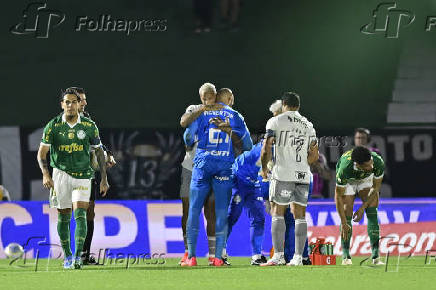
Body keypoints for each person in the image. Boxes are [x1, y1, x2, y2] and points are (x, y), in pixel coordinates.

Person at [37, 88, 109, 269]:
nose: (70, 105)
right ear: (62, 105)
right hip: (60, 175)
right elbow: (42, 154)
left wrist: (103, 178)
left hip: (83, 176)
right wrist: (46, 174)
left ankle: (78, 257)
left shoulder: (89, 126)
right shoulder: (53, 126)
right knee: (63, 216)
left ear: (79, 104)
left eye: (73, 102)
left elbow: (99, 151)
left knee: (81, 214)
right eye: (66, 102)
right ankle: (68, 256)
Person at [182, 85, 252, 266]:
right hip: (224, 165)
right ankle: (218, 258)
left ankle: (191, 257)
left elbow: (188, 136)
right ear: (230, 99)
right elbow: (248, 145)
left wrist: (190, 144)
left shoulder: (202, 112)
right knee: (220, 212)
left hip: (203, 163)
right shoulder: (235, 116)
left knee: (194, 210)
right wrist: (229, 131)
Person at [260, 92, 318, 266]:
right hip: (303, 175)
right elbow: (314, 155)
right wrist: (300, 166)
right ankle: (299, 258)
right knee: (299, 216)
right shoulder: (308, 124)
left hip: (283, 174)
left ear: (283, 104)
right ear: (298, 106)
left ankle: (278, 256)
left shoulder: (276, 121)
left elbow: (266, 148)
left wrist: (264, 168)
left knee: (278, 212)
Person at [71, 87, 116, 265]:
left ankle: (84, 254)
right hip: (67, 173)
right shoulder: (61, 123)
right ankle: (69, 253)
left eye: (83, 99)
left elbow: (97, 144)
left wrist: (108, 153)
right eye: (81, 99)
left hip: (86, 173)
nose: (85, 102)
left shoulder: (88, 120)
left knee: (89, 212)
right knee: (68, 213)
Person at [179, 83, 218, 265]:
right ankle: (188, 253)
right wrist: (202, 108)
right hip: (191, 167)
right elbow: (183, 122)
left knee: (210, 211)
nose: (207, 99)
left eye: (210, 96)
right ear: (200, 96)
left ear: (215, 96)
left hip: (212, 168)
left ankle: (212, 255)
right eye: (204, 96)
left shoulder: (221, 112)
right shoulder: (194, 108)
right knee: (188, 209)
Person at [335, 146, 385, 265]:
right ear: (357, 165)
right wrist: (343, 222)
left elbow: (376, 188)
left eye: (371, 163)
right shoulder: (345, 169)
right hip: (349, 180)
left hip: (366, 179)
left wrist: (362, 208)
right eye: (367, 166)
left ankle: (375, 256)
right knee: (347, 211)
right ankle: (346, 256)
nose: (371, 167)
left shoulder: (377, 162)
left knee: (372, 210)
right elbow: (338, 197)